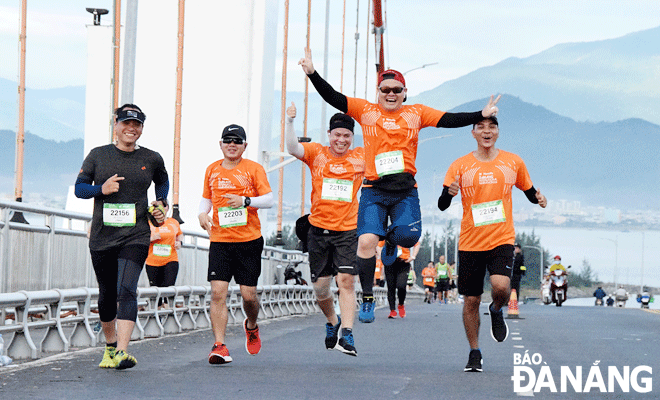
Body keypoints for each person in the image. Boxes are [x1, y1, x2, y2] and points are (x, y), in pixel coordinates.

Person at [299, 47, 501, 323]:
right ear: (378, 92)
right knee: (367, 241)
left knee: (409, 237)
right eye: (385, 90)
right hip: (374, 190)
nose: (390, 94)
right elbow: (333, 97)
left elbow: (449, 120)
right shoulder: (365, 111)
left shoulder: (415, 114)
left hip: (405, 191)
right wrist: (312, 73)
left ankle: (392, 241)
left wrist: (481, 113)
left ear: (405, 92)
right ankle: (368, 296)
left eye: (396, 89)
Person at [438, 116, 547, 372]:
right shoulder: (460, 165)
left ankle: (497, 309)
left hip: (501, 238)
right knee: (471, 301)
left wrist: (540, 199)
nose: (487, 131)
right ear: (473, 133)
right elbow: (443, 204)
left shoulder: (513, 162)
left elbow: (529, 191)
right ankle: (474, 352)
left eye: (492, 127)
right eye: (481, 127)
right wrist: (448, 193)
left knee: (501, 286)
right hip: (470, 242)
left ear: (498, 132)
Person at [75, 103, 169, 369]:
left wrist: (161, 204)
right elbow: (79, 189)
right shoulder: (98, 155)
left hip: (136, 234)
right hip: (103, 237)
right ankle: (109, 346)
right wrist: (100, 189)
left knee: (127, 289)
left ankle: (122, 352)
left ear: (141, 129)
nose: (131, 128)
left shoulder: (151, 158)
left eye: (136, 124)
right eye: (126, 123)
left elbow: (162, 182)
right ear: (115, 125)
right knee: (107, 294)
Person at [286, 103, 363, 356]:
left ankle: (348, 334)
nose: (342, 140)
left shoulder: (360, 157)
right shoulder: (317, 153)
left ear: (352, 138)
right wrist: (289, 122)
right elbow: (292, 147)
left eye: (347, 136)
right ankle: (332, 321)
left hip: (348, 230)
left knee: (346, 281)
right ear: (330, 135)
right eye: (337, 135)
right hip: (318, 230)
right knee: (321, 287)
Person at [199, 124, 274, 364]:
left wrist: (245, 200)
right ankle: (219, 345)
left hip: (248, 240)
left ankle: (251, 325)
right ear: (220, 144)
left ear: (244, 146)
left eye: (237, 141)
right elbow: (206, 198)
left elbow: (269, 200)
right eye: (228, 140)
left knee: (248, 295)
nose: (232, 145)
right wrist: (202, 213)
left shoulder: (253, 169)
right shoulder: (212, 170)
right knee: (217, 292)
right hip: (220, 240)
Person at [145, 202, 183, 309]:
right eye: (157, 207)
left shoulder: (173, 222)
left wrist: (179, 243)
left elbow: (180, 235)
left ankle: (168, 319)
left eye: (163, 206)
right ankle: (157, 318)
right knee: (155, 292)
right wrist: (151, 239)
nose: (160, 209)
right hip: (153, 261)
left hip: (170, 259)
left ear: (167, 208)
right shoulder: (149, 222)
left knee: (168, 290)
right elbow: (139, 239)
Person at [378, 241, 420, 318]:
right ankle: (392, 310)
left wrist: (413, 256)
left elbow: (417, 244)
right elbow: (378, 245)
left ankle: (401, 304)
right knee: (391, 287)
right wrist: (382, 255)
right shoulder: (388, 232)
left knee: (401, 286)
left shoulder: (407, 231)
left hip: (403, 263)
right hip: (390, 263)